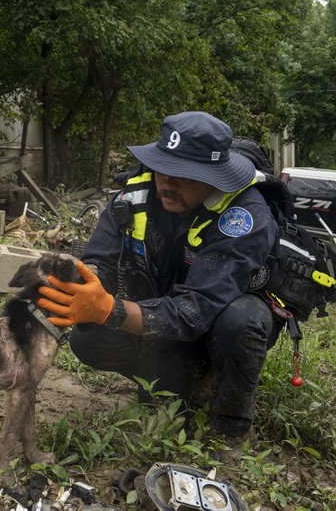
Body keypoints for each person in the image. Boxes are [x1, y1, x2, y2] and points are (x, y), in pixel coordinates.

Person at [38, 111, 280, 444]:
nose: (167, 182)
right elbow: (98, 260)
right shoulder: (133, 197)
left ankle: (230, 426)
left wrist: (111, 310)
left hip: (213, 319)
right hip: (161, 312)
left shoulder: (245, 217)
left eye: (184, 175)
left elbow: (196, 308)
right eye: (162, 168)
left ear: (215, 176)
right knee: (87, 338)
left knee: (241, 322)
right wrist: (84, 283)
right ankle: (180, 381)